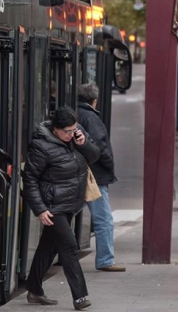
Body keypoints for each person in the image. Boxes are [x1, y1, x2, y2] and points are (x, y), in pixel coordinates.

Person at [23, 106, 100, 310]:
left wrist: (83, 143)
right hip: (52, 206)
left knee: (48, 247)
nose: (70, 134)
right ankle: (80, 296)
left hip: (70, 203)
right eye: (66, 131)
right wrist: (39, 209)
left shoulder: (76, 137)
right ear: (55, 129)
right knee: (69, 247)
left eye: (73, 129)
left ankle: (34, 289)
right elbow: (29, 179)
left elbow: (94, 157)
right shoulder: (41, 146)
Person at [76, 83, 126, 272]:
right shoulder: (91, 118)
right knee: (104, 218)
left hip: (75, 172)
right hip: (93, 175)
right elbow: (100, 146)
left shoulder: (73, 114)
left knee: (65, 214)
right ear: (94, 101)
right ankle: (105, 259)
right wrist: (108, 164)